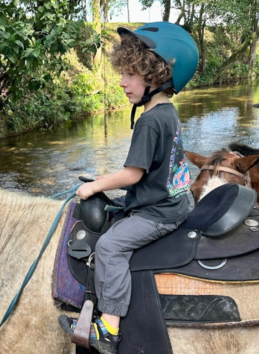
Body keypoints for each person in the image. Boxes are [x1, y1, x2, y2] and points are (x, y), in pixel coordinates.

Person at [59, 22, 199, 354]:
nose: (122, 82)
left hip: (159, 212)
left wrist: (95, 185)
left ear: (157, 74)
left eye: (130, 74)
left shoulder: (150, 121)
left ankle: (108, 328)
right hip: (173, 201)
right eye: (122, 73)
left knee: (109, 246)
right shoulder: (165, 112)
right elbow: (149, 168)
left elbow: (133, 174)